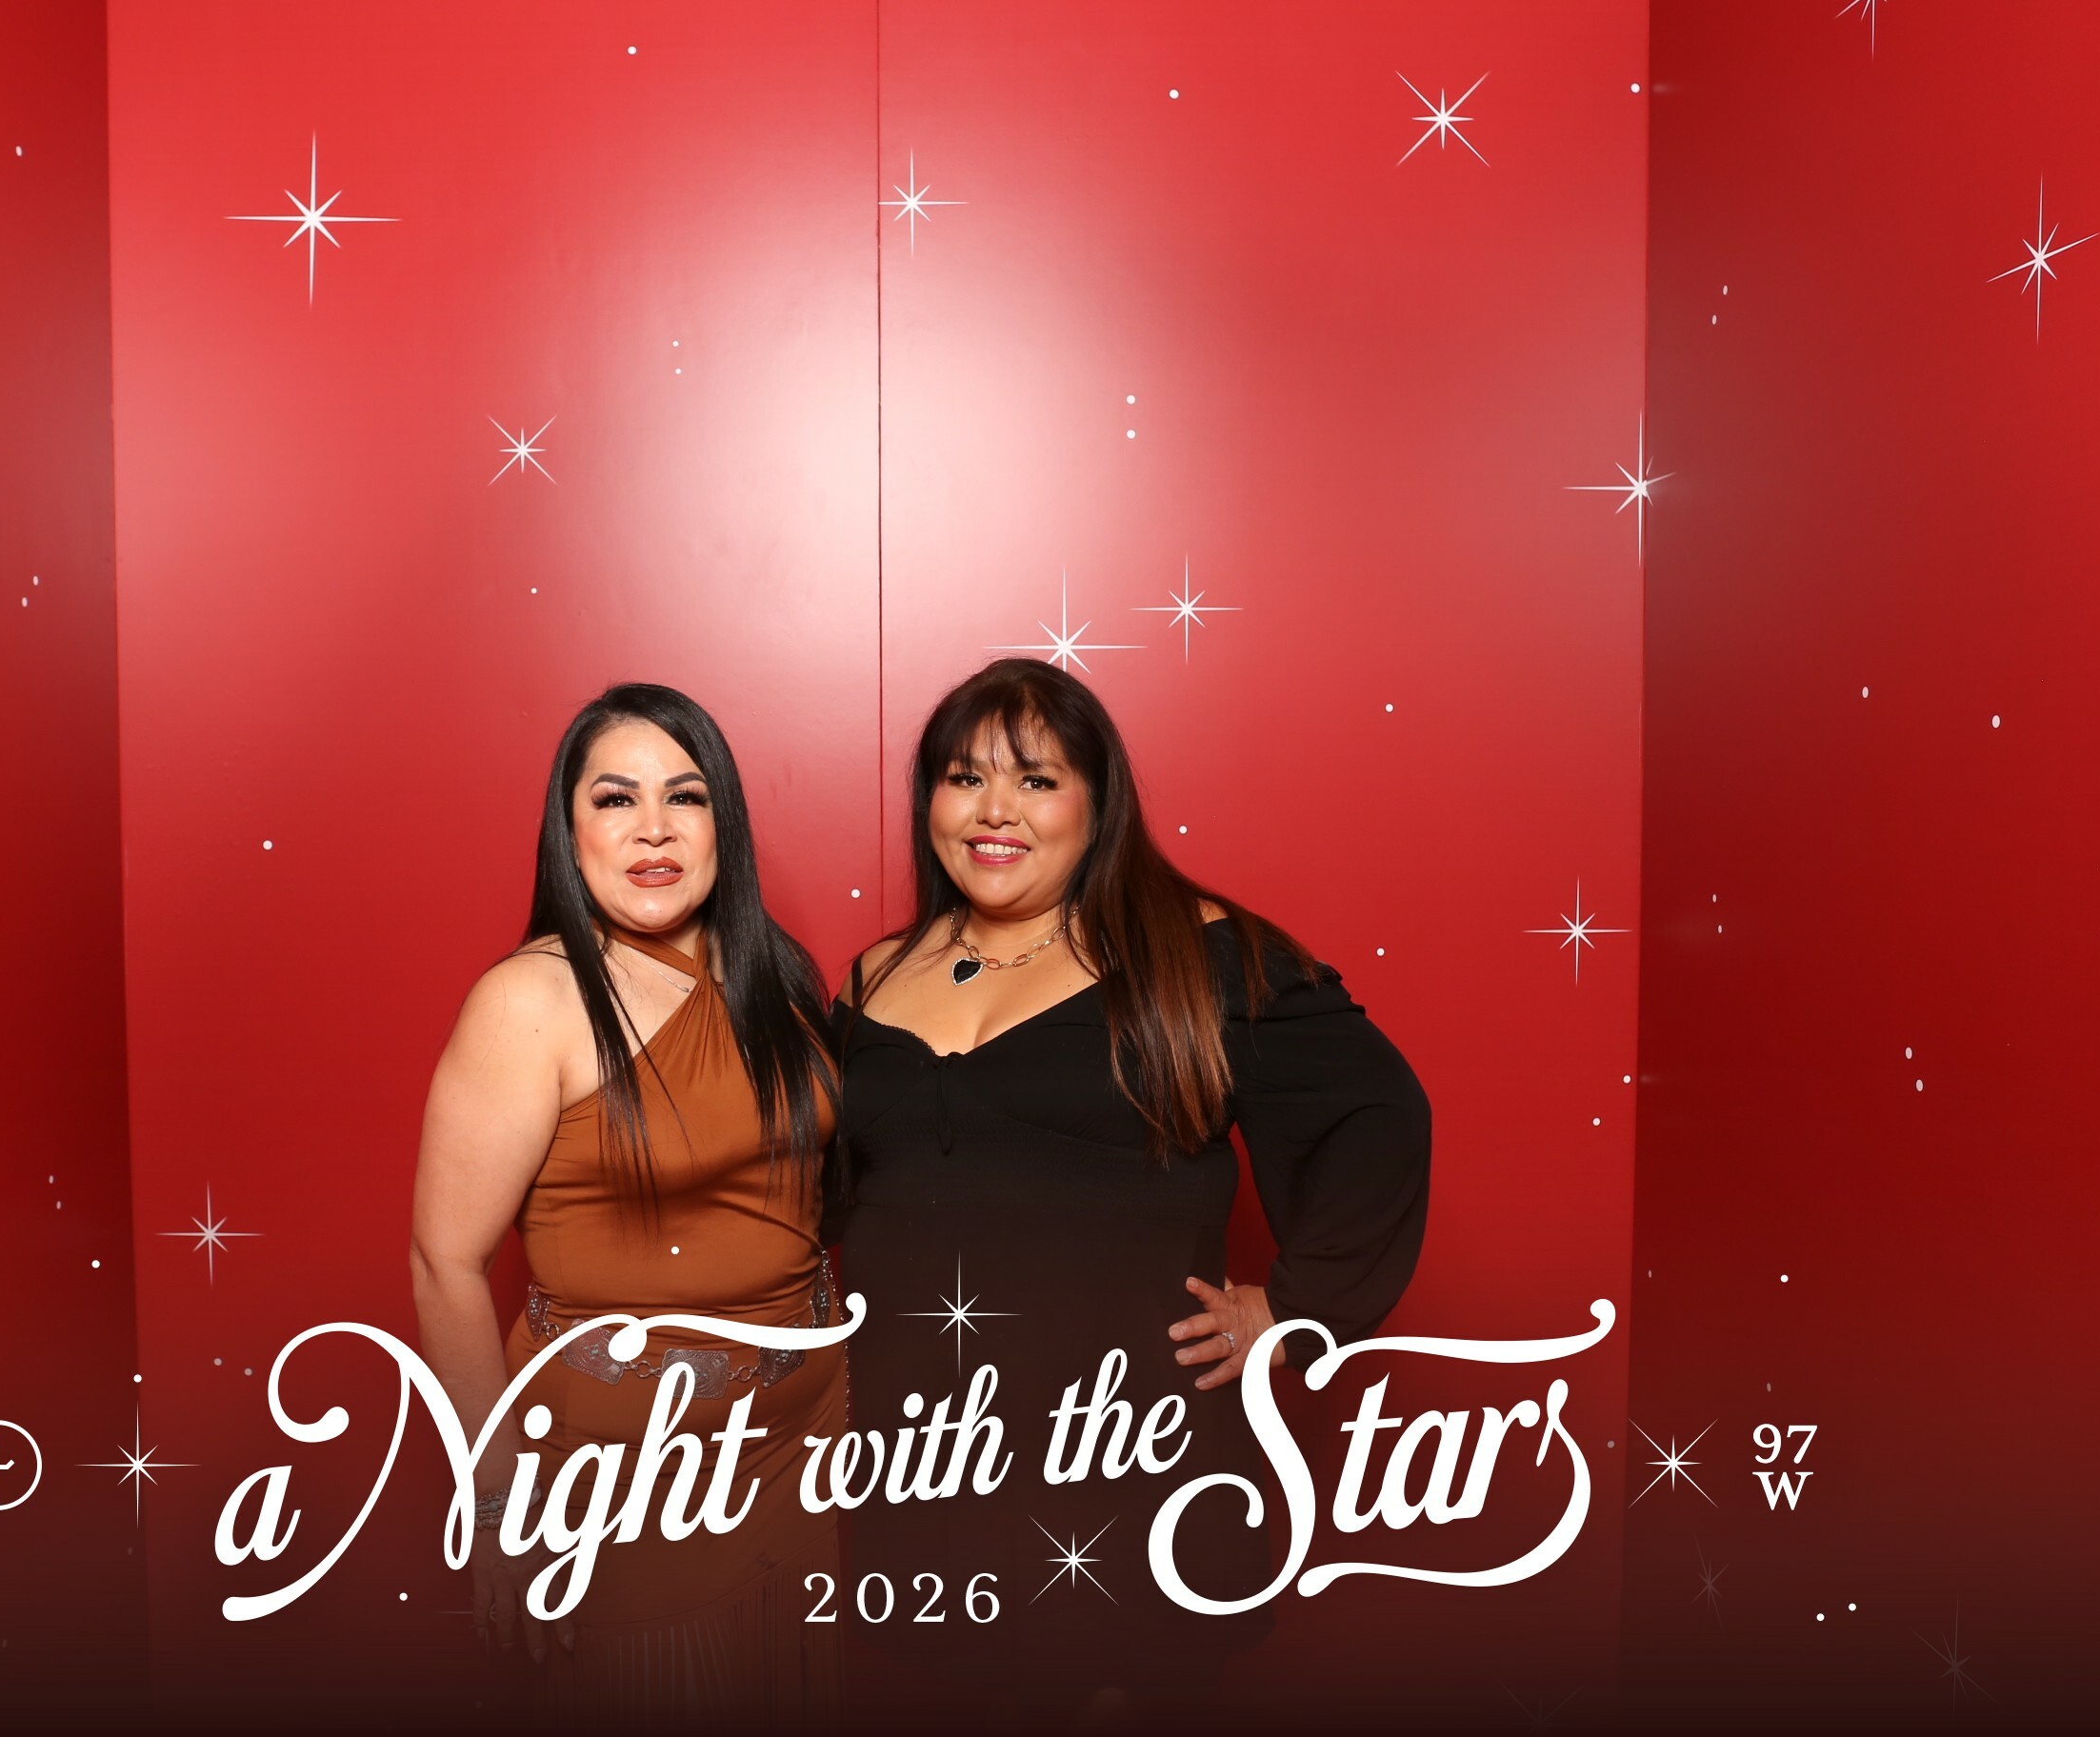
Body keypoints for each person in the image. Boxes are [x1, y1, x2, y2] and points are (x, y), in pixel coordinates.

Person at [830, 657, 1431, 1724]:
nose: (995, 810)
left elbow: (1380, 1114)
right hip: (926, 1454)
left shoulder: (1193, 953)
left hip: (1120, 1451)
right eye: (965, 778)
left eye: (1036, 779)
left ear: (1097, 802)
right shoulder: (876, 973)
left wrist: (1300, 1312)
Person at [409, 682, 844, 1727]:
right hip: (630, 1476)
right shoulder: (533, 999)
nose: (654, 828)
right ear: (571, 833)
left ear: (721, 823)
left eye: (685, 797)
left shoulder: (775, 974)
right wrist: (501, 1500)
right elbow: (443, 1262)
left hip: (811, 1449)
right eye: (615, 799)